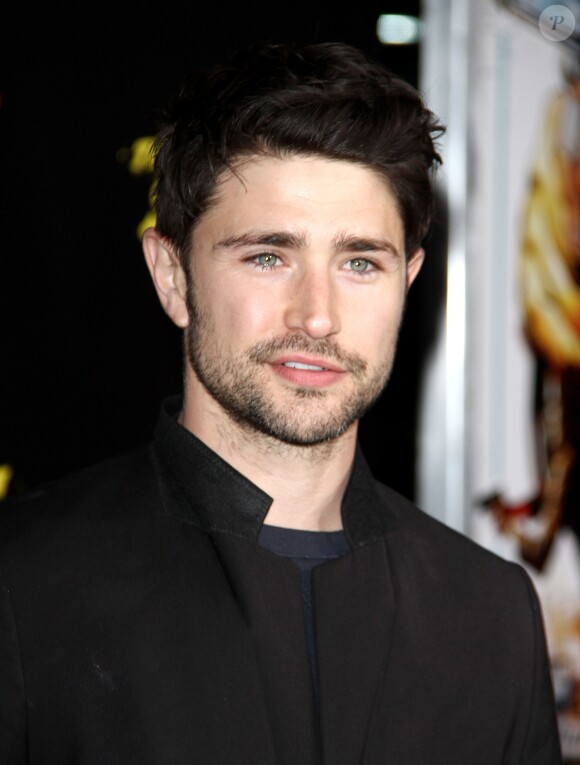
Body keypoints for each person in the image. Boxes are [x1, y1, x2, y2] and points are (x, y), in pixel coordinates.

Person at [0, 41, 562, 764]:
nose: (317, 315)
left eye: (360, 261)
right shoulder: (24, 583)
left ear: (408, 281)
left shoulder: (491, 612)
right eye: (269, 255)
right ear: (172, 276)